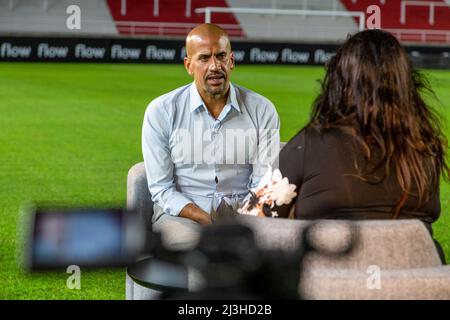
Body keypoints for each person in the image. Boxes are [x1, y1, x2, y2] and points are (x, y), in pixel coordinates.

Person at [275, 30, 448, 261]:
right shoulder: (426, 148)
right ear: (406, 83)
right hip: (419, 283)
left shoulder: (310, 143)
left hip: (331, 287)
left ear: (340, 83)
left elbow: (257, 220)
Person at [142, 24, 280, 250]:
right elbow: (162, 189)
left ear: (232, 61)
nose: (215, 66)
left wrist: (241, 223)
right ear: (189, 65)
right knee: (198, 250)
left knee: (267, 248)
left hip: (245, 215)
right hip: (182, 216)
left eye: (221, 56)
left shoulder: (262, 109)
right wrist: (206, 219)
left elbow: (263, 184)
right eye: (204, 58)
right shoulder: (161, 111)